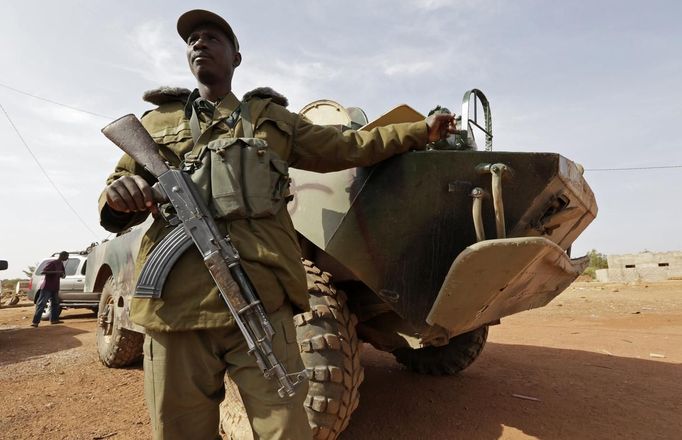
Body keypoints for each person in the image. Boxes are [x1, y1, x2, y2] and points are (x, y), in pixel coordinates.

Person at [99, 9, 456, 440]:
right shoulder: (156, 124)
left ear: (236, 57)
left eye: (212, 37)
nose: (199, 43)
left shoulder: (273, 118)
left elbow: (350, 147)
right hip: (175, 308)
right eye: (192, 39)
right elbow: (117, 190)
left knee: (286, 428)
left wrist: (419, 132)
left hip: (261, 298)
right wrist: (123, 195)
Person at [31, 251, 68, 327]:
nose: (67, 258)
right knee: (41, 304)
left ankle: (54, 320)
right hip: (47, 287)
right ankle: (35, 322)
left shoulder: (61, 264)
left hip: (55, 287)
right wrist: (56, 272)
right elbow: (43, 272)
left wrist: (62, 274)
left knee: (55, 304)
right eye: (66, 256)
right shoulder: (52, 263)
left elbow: (63, 275)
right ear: (62, 256)